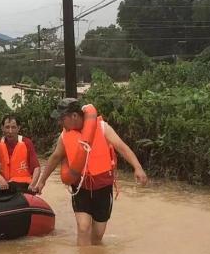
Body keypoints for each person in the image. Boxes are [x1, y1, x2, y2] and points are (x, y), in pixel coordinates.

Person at [34, 98, 148, 246]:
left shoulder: (102, 127)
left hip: (103, 187)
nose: (60, 123)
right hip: (80, 187)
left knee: (98, 235)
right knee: (83, 228)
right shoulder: (64, 135)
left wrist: (137, 167)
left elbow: (121, 147)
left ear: (74, 116)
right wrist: (42, 181)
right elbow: (55, 157)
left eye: (62, 118)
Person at [0, 115, 41, 192]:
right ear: (2, 128)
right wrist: (1, 179)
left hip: (22, 185)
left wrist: (32, 185)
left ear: (18, 128)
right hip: (2, 185)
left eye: (13, 127)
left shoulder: (27, 143)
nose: (10, 131)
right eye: (7, 127)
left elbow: (37, 168)